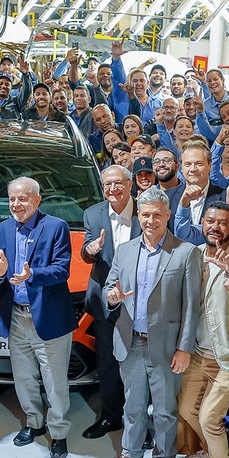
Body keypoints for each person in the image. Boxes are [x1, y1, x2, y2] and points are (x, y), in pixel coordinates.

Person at [103, 186, 201, 458]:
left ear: (168, 215)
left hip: (167, 347)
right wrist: (112, 297)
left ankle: (164, 457)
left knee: (164, 411)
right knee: (132, 407)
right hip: (130, 341)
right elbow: (110, 287)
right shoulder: (125, 250)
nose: (150, 220)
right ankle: (131, 454)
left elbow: (192, 307)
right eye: (145, 214)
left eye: (157, 214)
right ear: (139, 216)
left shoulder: (186, 252)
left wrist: (184, 349)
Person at [0, 177, 76, 458]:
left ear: (37, 200)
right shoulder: (2, 229)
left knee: (54, 381)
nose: (16, 204)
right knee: (24, 378)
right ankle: (34, 423)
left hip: (48, 319)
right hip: (15, 316)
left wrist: (32, 275)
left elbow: (62, 270)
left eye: (22, 198)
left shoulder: (56, 227)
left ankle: (58, 433)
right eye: (12, 198)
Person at [177, 202, 229, 458]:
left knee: (210, 417)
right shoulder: (194, 254)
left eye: (223, 223)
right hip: (198, 353)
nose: (215, 227)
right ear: (202, 223)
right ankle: (210, 454)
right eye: (210, 221)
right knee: (187, 409)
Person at [81, 165, 140, 439]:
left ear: (130, 185)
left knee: (139, 362)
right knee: (106, 360)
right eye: (107, 185)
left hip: (140, 300)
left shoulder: (146, 212)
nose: (112, 190)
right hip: (105, 301)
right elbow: (87, 249)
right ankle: (110, 416)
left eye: (118, 184)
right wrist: (90, 251)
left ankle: (138, 421)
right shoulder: (92, 214)